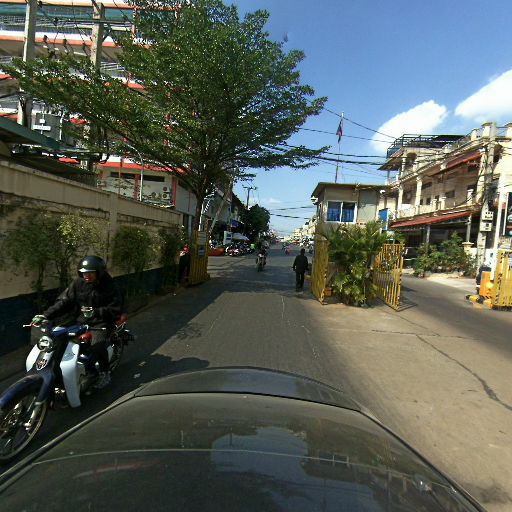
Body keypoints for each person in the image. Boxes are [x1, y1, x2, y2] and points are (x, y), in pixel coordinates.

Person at [32, 255, 122, 389]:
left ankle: (104, 373)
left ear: (99, 272)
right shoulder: (78, 284)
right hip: (81, 321)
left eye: (90, 273)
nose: (86, 276)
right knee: (63, 342)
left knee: (97, 346)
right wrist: (46, 315)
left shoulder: (110, 286)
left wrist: (96, 312)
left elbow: (116, 309)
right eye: (84, 273)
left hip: (102, 322)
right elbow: (64, 301)